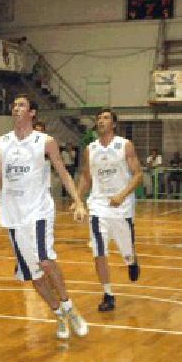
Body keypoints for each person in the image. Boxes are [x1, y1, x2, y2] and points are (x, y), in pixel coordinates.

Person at [0, 94, 89, 340]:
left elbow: (63, 172)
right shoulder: (1, 143)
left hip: (39, 210)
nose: (16, 108)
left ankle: (69, 307)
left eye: (21, 105)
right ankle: (58, 314)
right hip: (12, 215)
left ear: (32, 113)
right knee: (35, 275)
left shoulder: (45, 141)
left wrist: (77, 201)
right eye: (14, 105)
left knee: (44, 260)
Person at [77, 109, 143, 312]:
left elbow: (138, 175)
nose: (101, 121)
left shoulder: (124, 145)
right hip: (98, 205)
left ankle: (131, 260)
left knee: (126, 250)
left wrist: (122, 195)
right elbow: (86, 177)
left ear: (113, 124)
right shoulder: (91, 148)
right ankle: (108, 294)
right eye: (98, 118)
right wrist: (78, 199)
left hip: (122, 207)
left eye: (105, 118)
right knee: (99, 251)